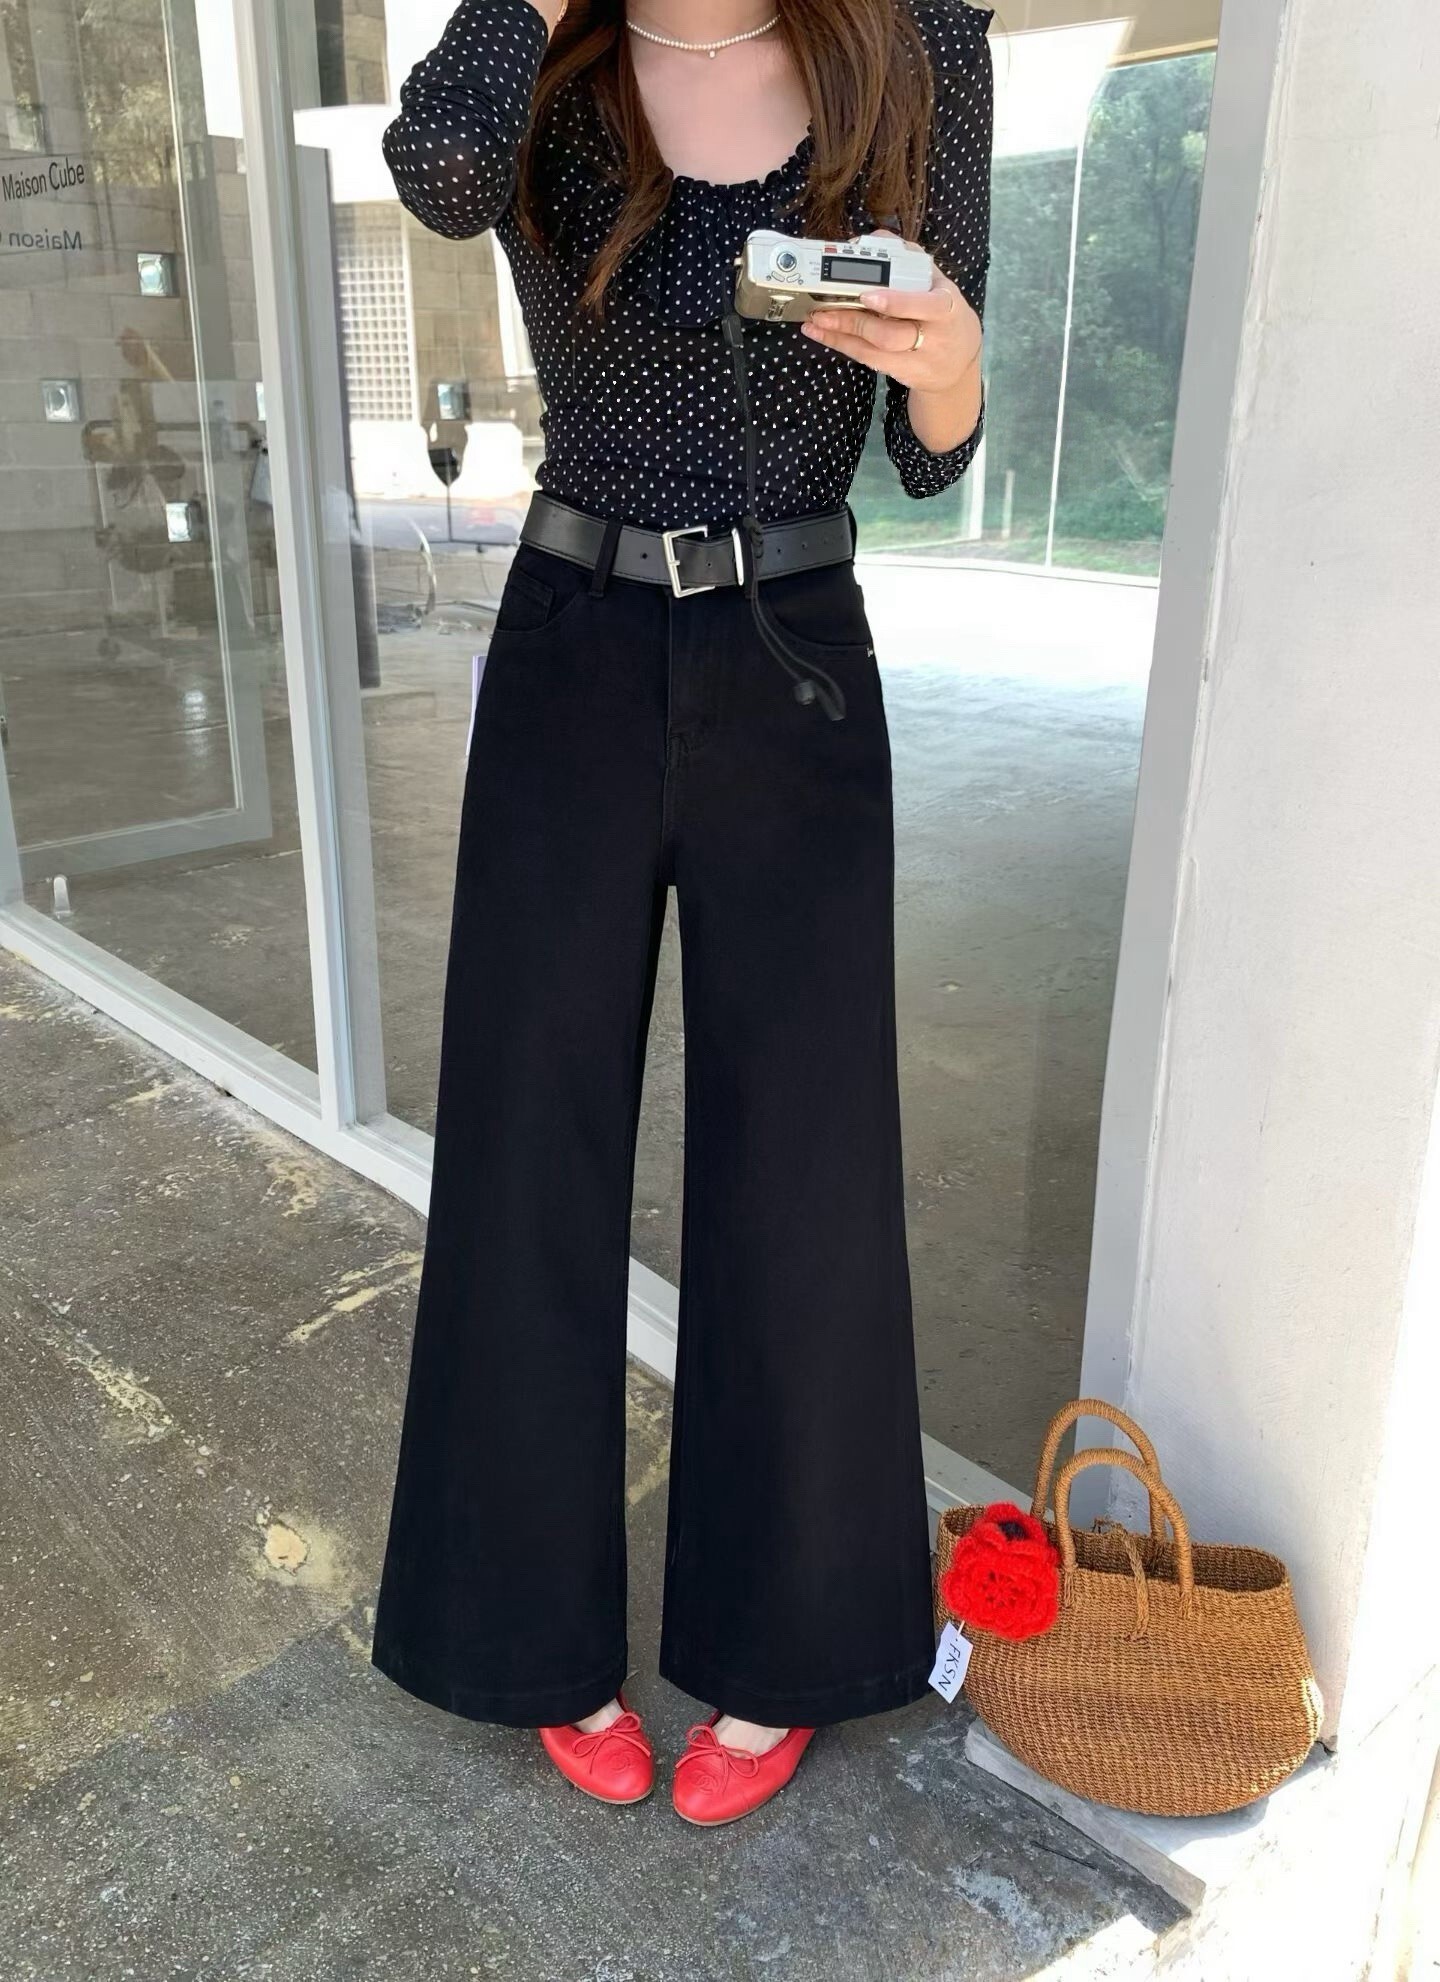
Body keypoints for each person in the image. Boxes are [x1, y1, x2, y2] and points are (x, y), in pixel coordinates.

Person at [370, 0, 994, 1826]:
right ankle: (523, 1638)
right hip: (570, 648)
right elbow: (437, 171)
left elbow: (933, 448)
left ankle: (787, 1642)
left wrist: (951, 357)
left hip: (793, 651)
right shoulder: (536, 63)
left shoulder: (919, 45)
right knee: (524, 1142)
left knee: (804, 1163)